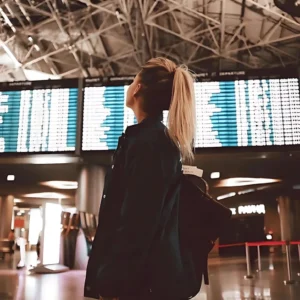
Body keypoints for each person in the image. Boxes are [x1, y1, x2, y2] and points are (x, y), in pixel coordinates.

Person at [84, 57, 198, 300]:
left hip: (145, 283)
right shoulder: (149, 141)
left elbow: (137, 222)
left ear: (137, 88)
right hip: (150, 278)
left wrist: (114, 281)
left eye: (132, 80)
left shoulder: (150, 145)